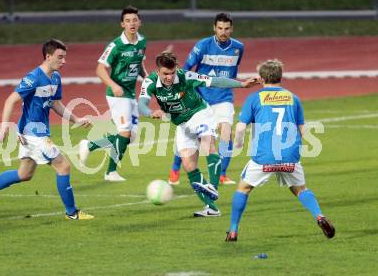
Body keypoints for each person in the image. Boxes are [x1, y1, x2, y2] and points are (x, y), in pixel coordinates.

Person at [0, 39, 94, 220]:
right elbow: (10, 100)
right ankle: (72, 212)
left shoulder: (56, 77)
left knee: (24, 174)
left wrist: (76, 119)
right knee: (63, 166)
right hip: (33, 133)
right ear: (48, 56)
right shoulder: (33, 78)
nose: (63, 61)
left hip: (35, 133)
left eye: (65, 57)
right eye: (60, 57)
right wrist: (3, 129)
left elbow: (55, 103)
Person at [225, 59, 335, 241]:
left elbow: (240, 128)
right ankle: (319, 216)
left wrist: (237, 145)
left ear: (261, 78)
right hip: (290, 155)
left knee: (243, 189)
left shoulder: (254, 98)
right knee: (300, 189)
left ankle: (233, 230)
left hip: (264, 157)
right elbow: (302, 130)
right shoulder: (294, 97)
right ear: (280, 77)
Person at [139, 52, 257, 217]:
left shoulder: (185, 76)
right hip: (182, 124)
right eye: (165, 73)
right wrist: (150, 112)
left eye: (172, 73)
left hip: (199, 113)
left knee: (207, 144)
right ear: (158, 71)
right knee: (188, 165)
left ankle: (213, 188)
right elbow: (141, 104)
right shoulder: (149, 82)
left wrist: (242, 84)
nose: (169, 77)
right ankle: (211, 208)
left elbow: (214, 81)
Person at [168, 13, 244, 186]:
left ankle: (222, 174)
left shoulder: (239, 48)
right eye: (220, 28)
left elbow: (232, 71)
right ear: (214, 28)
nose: (223, 32)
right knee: (190, 135)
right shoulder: (202, 46)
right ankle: (174, 169)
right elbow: (186, 69)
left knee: (226, 133)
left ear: (231, 29)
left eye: (226, 28)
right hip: (200, 99)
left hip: (224, 97)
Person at [79, 5, 147, 182]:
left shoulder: (142, 42)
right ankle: (110, 172)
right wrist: (113, 85)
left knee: (130, 137)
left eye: (134, 20)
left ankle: (90, 145)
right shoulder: (116, 46)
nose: (131, 23)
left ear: (139, 22)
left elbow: (138, 63)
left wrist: (146, 77)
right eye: (127, 21)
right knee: (124, 132)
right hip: (117, 95)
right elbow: (100, 69)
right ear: (122, 24)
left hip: (131, 94)